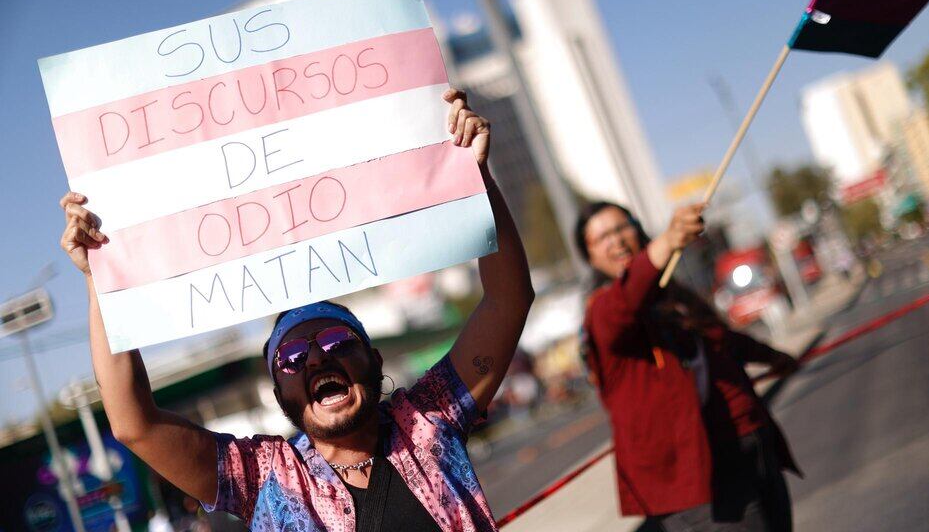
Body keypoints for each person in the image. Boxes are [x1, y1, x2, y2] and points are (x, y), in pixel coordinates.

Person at [60, 90, 535, 532]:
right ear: (279, 393)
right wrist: (101, 280)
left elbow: (508, 299)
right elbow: (135, 424)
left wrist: (476, 180)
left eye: (336, 342)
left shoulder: (428, 421)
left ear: (374, 360)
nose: (316, 359)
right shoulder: (264, 478)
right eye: (291, 359)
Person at [575, 202, 800, 532]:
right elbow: (627, 298)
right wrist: (668, 240)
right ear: (590, 256)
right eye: (603, 237)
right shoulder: (603, 312)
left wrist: (774, 357)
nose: (618, 241)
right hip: (697, 476)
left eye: (622, 228)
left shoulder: (672, 294)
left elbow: (722, 340)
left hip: (750, 442)